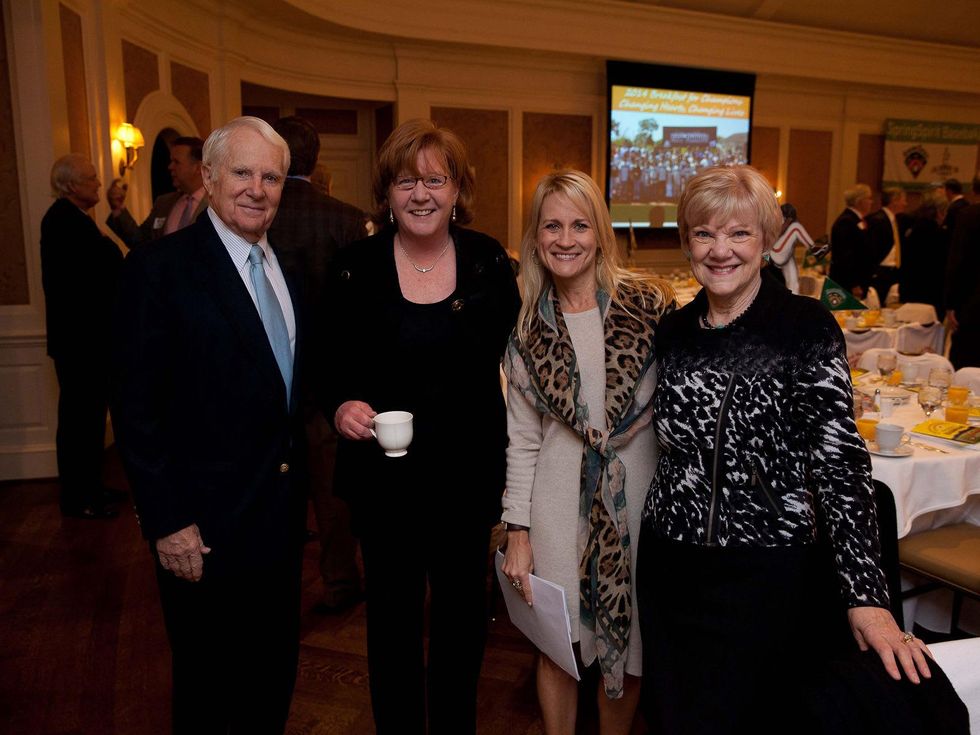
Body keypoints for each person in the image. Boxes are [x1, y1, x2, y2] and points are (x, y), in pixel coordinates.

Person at [637, 165, 966, 735]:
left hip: (770, 574)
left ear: (765, 241)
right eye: (704, 233)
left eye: (738, 234)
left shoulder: (802, 326)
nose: (721, 250)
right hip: (673, 568)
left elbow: (840, 463)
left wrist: (868, 597)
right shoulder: (674, 331)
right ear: (687, 240)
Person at [322, 118, 519, 734]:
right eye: (407, 181)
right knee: (392, 627)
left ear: (459, 189)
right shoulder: (354, 266)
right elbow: (326, 364)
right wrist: (341, 405)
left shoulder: (488, 260)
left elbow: (529, 357)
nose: (422, 194)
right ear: (387, 192)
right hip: (385, 488)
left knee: (463, 626)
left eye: (437, 179)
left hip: (466, 484)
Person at [112, 117, 306, 734]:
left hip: (278, 525)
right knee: (208, 691)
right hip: (203, 533)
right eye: (243, 173)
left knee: (272, 678)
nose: (257, 188)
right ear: (209, 177)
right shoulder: (160, 269)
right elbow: (137, 407)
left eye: (270, 176)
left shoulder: (289, 270)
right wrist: (167, 520)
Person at [500, 171, 673, 734]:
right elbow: (523, 439)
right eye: (552, 225)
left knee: (634, 642)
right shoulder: (528, 327)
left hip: (639, 500)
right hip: (553, 505)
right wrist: (517, 531)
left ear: (600, 233)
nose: (566, 238)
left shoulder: (649, 307)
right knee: (559, 643)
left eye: (580, 224)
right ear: (535, 237)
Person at [267, 115, 366, 614]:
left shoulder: (253, 215)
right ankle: (341, 578)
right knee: (331, 491)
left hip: (268, 380)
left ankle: (272, 582)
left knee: (271, 485)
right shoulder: (346, 220)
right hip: (331, 380)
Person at [40, 154, 124, 519]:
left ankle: (89, 489)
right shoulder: (63, 221)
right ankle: (81, 498)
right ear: (72, 185)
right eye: (90, 178)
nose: (97, 183)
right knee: (80, 422)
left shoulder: (72, 218)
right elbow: (98, 271)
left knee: (85, 420)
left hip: (84, 342)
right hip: (81, 344)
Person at [106, 135, 207, 247]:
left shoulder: (217, 203)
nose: (170, 167)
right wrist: (118, 209)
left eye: (176, 162)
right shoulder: (163, 203)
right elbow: (141, 241)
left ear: (198, 168)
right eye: (171, 161)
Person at [945, 176, 980, 369]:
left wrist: (951, 304)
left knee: (966, 361)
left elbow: (957, 262)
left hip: (972, 302)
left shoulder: (968, 216)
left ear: (974, 191)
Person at [900, 189, 948, 321]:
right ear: (939, 212)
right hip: (931, 292)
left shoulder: (912, 228)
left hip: (911, 288)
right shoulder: (940, 235)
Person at [829, 183, 874, 298]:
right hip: (846, 284)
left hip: (856, 281)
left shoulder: (855, 220)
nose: (871, 202)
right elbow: (844, 256)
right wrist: (854, 284)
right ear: (859, 201)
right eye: (869, 198)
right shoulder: (846, 222)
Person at [867, 187, 908, 304]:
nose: (905, 204)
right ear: (894, 201)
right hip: (880, 271)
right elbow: (872, 248)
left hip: (894, 271)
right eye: (903, 200)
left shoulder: (897, 220)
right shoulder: (877, 219)